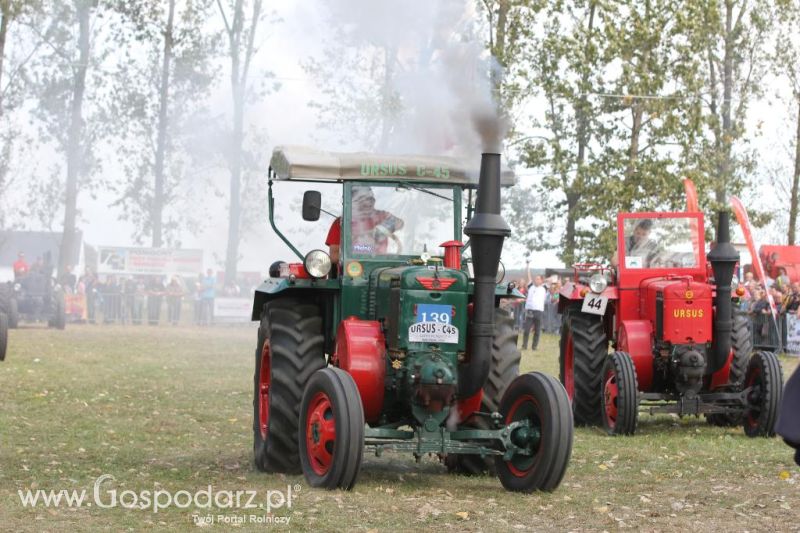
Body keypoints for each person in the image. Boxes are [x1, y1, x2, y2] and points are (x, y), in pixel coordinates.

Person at [325, 186, 405, 261]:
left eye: (370, 199)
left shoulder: (381, 216)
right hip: (350, 270)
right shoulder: (341, 223)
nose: (368, 203)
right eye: (362, 199)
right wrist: (355, 254)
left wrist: (383, 229)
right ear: (350, 202)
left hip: (381, 267)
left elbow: (400, 223)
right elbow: (334, 256)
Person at [522, 270, 547, 351]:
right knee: (526, 330)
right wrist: (528, 266)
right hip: (530, 311)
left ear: (541, 280)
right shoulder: (531, 287)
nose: (536, 280)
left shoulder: (544, 288)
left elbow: (551, 280)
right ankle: (524, 346)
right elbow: (528, 276)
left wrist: (545, 279)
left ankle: (534, 347)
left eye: (538, 279)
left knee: (537, 330)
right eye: (536, 279)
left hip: (539, 311)